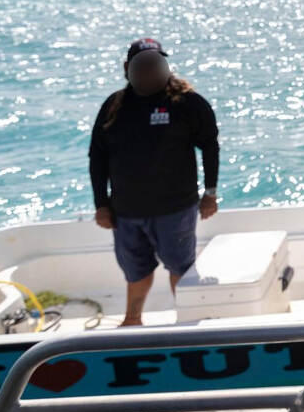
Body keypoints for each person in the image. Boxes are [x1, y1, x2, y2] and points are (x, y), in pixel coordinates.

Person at [89, 38, 219, 327]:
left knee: (180, 267)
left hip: (175, 209)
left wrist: (210, 193)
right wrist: (101, 205)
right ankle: (132, 319)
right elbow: (97, 157)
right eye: (142, 65)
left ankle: (186, 321)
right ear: (127, 67)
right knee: (136, 270)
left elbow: (210, 146)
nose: (149, 70)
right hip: (126, 212)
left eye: (155, 64)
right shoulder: (114, 106)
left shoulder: (187, 103)